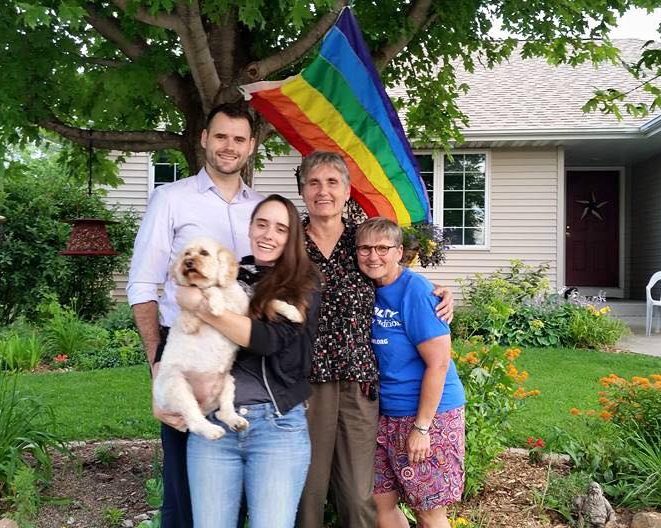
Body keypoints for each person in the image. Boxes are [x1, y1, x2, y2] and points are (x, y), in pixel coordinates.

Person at [296, 151, 454, 528]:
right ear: (303, 190)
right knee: (308, 492)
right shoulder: (291, 244)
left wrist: (438, 291)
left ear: (347, 190)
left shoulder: (362, 243)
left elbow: (397, 278)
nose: (323, 191)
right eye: (314, 183)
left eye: (332, 182)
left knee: (358, 494)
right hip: (307, 383)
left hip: (360, 384)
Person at [126, 102, 261, 528]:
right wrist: (157, 367)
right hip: (184, 345)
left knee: (244, 482)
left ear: (251, 146)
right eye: (220, 136)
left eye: (239, 139)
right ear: (204, 138)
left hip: (248, 355)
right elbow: (143, 286)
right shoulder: (170, 199)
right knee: (186, 491)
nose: (229, 146)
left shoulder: (262, 211)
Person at [174, 194, 322, 528]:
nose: (269, 234)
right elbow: (182, 334)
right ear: (250, 228)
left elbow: (267, 340)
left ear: (292, 237)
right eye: (262, 224)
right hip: (214, 424)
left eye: (281, 229)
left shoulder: (305, 283)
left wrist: (198, 304)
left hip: (277, 427)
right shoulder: (228, 272)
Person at [355, 217, 466, 528]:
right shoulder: (365, 288)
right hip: (384, 414)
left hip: (428, 414)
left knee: (429, 513)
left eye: (382, 248)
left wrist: (422, 428)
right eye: (364, 248)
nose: (373, 256)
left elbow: (439, 362)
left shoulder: (415, 290)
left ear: (399, 251)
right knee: (381, 505)